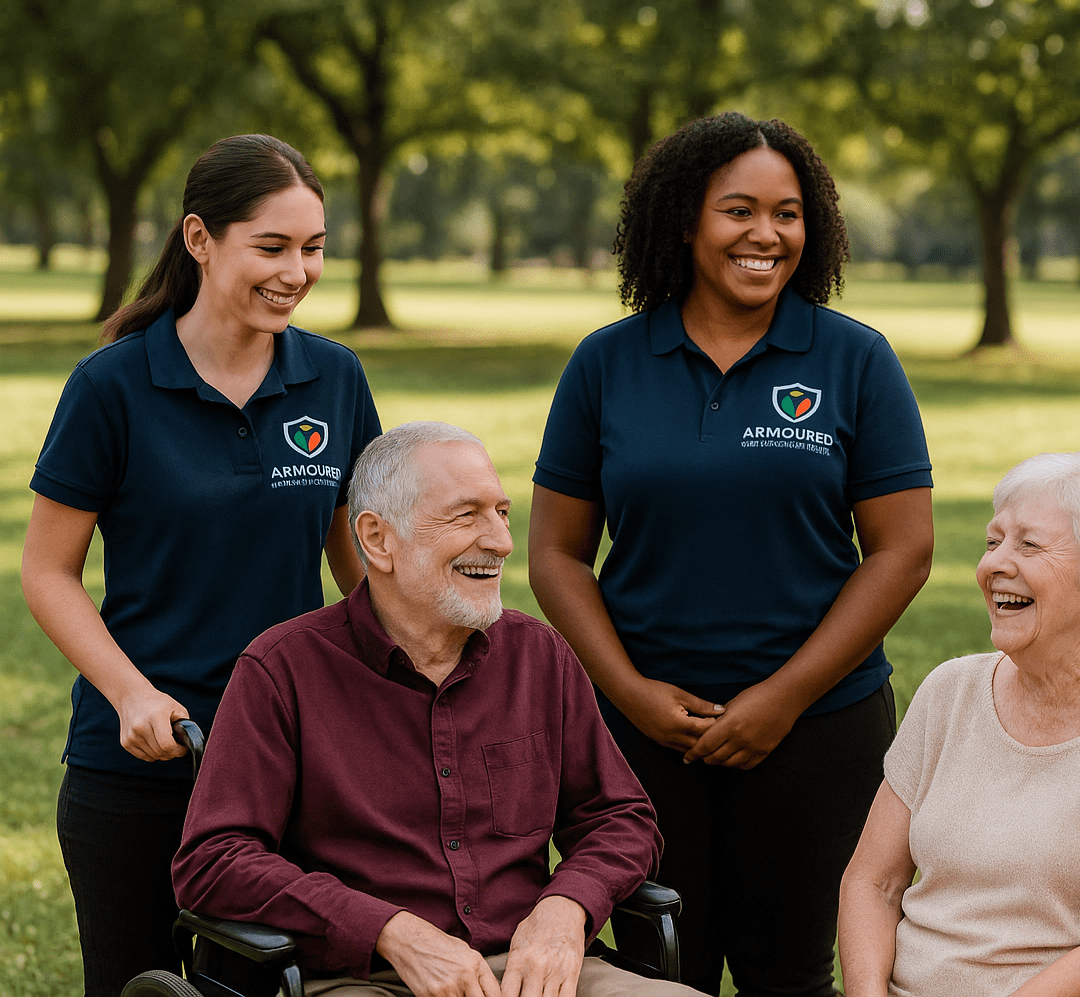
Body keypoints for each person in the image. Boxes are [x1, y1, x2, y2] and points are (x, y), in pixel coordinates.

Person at [527, 112, 934, 997]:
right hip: (636, 736)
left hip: (818, 729)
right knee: (652, 971)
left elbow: (901, 553)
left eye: (787, 214)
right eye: (738, 211)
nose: (766, 235)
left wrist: (782, 698)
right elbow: (556, 555)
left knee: (790, 971)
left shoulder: (854, 359)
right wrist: (630, 694)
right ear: (685, 221)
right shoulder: (607, 364)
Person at [20, 134, 381, 997]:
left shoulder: (334, 378)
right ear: (199, 239)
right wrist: (130, 693)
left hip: (293, 761)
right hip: (139, 769)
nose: (297, 271)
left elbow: (364, 566)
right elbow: (47, 571)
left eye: (314, 248)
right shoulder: (111, 386)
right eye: (273, 246)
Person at [173, 422, 698, 997]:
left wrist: (566, 908)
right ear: (377, 539)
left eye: (500, 512)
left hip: (533, 969)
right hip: (361, 978)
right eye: (466, 515)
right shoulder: (283, 670)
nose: (500, 540)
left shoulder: (539, 656)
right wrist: (388, 930)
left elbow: (619, 818)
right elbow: (215, 860)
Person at [839, 452, 1080, 997]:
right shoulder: (950, 690)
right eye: (993, 542)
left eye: (1028, 546)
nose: (993, 566)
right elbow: (873, 882)